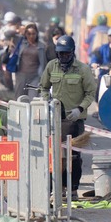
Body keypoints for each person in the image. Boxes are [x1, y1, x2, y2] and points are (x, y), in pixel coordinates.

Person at [40, 34, 100, 195]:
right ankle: (56, 189)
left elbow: (90, 93)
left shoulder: (83, 69)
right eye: (61, 54)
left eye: (66, 54)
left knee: (73, 157)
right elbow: (43, 88)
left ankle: (72, 189)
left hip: (74, 121)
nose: (63, 57)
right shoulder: (51, 67)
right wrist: (48, 103)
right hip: (55, 119)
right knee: (56, 156)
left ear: (72, 52)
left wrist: (79, 109)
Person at [8, 23, 47, 94]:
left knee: (33, 98)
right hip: (21, 75)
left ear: (36, 34)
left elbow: (43, 63)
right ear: (25, 34)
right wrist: (18, 31)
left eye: (33, 34)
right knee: (20, 99)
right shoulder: (21, 42)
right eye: (29, 34)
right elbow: (7, 34)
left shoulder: (41, 46)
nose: (31, 36)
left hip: (35, 76)